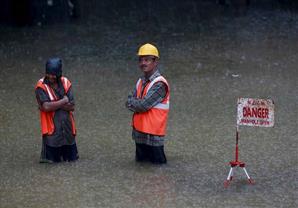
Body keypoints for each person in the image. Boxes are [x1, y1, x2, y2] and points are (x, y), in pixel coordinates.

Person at [126, 43, 170, 164]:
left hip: (154, 136)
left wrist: (134, 103)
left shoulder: (160, 83)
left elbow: (142, 106)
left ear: (155, 62)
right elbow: (128, 101)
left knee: (158, 173)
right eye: (140, 60)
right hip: (139, 134)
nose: (143, 63)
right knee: (141, 170)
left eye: (147, 60)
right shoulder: (140, 81)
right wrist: (134, 103)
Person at [35, 58, 79, 163]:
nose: (51, 77)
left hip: (67, 131)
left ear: (59, 74)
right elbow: (45, 107)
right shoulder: (41, 86)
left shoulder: (66, 82)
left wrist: (52, 104)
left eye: (54, 74)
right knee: (51, 164)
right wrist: (64, 100)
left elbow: (72, 106)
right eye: (49, 74)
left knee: (71, 161)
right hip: (52, 133)